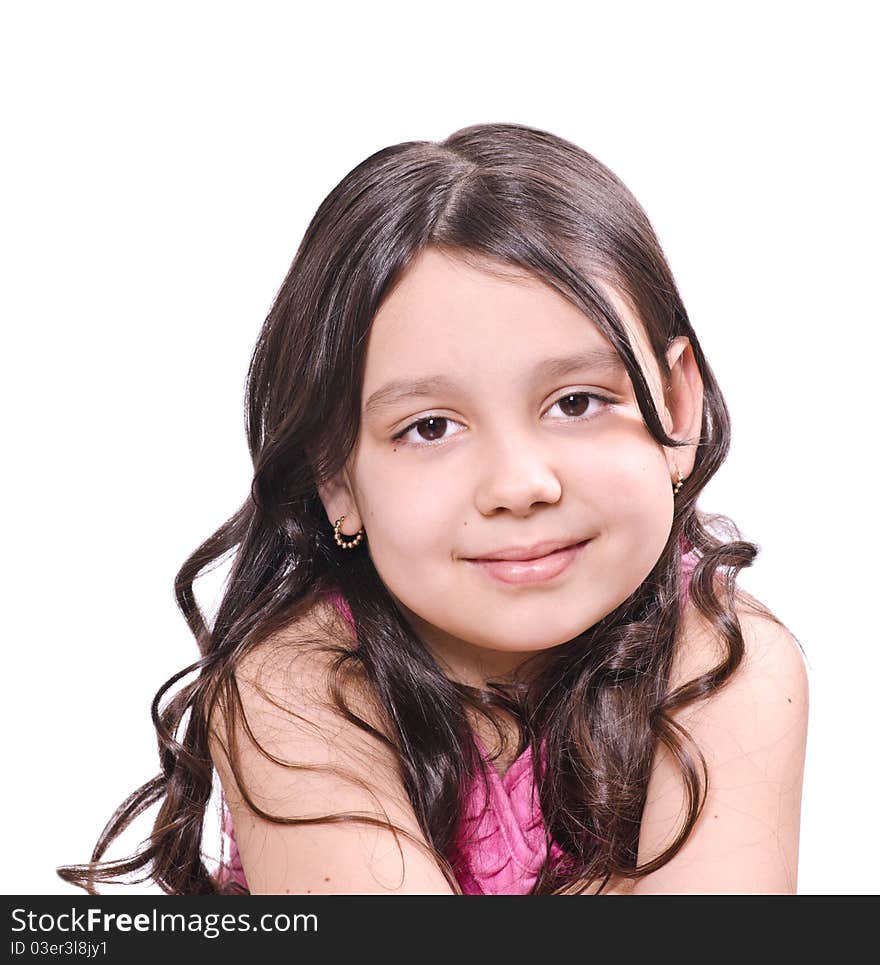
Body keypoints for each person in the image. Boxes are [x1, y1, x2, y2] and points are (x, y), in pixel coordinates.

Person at [57, 122, 809, 896]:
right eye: (430, 427)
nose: (519, 484)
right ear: (337, 475)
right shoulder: (294, 686)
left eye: (576, 401)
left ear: (676, 404)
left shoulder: (727, 662)